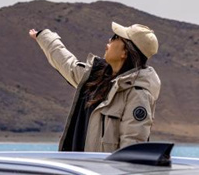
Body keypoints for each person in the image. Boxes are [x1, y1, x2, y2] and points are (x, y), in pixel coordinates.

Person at [29, 22, 160, 152]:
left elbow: (132, 147)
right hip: (78, 169)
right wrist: (45, 37)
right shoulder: (96, 76)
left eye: (115, 37)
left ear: (125, 52)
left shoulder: (138, 94)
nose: (109, 40)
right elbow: (67, 64)